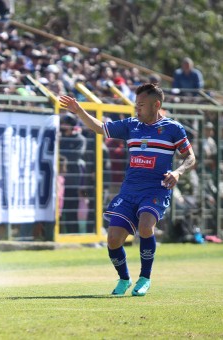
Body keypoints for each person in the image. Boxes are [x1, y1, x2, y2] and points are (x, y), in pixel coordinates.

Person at [59, 83, 196, 297]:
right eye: (136, 105)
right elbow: (100, 128)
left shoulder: (173, 129)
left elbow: (190, 157)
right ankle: (124, 278)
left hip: (155, 190)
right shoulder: (131, 125)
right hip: (129, 191)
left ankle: (145, 278)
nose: (137, 109)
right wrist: (79, 111)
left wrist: (177, 172)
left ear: (156, 105)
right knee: (113, 239)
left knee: (145, 225)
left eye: (141, 105)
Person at [58, 112, 86, 233]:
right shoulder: (61, 138)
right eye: (62, 124)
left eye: (65, 124)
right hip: (60, 180)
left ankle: (73, 233)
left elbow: (76, 155)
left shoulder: (80, 139)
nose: (63, 126)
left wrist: (62, 156)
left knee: (72, 208)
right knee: (61, 209)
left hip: (73, 180)